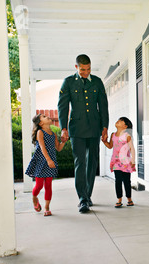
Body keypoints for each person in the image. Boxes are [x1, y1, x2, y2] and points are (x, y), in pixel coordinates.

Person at [57, 54, 109, 213]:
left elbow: (103, 106)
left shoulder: (98, 82)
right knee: (80, 162)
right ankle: (82, 199)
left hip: (94, 128)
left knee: (92, 163)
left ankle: (87, 195)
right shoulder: (69, 82)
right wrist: (63, 128)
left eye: (88, 69)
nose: (86, 72)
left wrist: (105, 127)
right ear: (76, 67)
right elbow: (63, 106)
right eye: (83, 70)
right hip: (77, 129)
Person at [25, 114, 65, 216]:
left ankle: (47, 207)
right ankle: (34, 198)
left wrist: (63, 142)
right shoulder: (40, 132)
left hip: (50, 161)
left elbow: (59, 148)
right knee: (39, 185)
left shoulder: (53, 134)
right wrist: (48, 160)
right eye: (43, 116)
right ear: (40, 123)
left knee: (48, 185)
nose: (47, 116)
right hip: (41, 161)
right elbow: (42, 148)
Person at [102, 117, 136, 208]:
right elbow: (110, 146)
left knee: (127, 181)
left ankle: (129, 199)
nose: (118, 121)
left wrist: (133, 160)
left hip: (126, 162)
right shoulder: (113, 135)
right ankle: (119, 199)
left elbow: (132, 148)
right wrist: (104, 142)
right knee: (118, 181)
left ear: (125, 126)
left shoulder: (127, 136)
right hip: (116, 162)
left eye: (121, 121)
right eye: (118, 120)